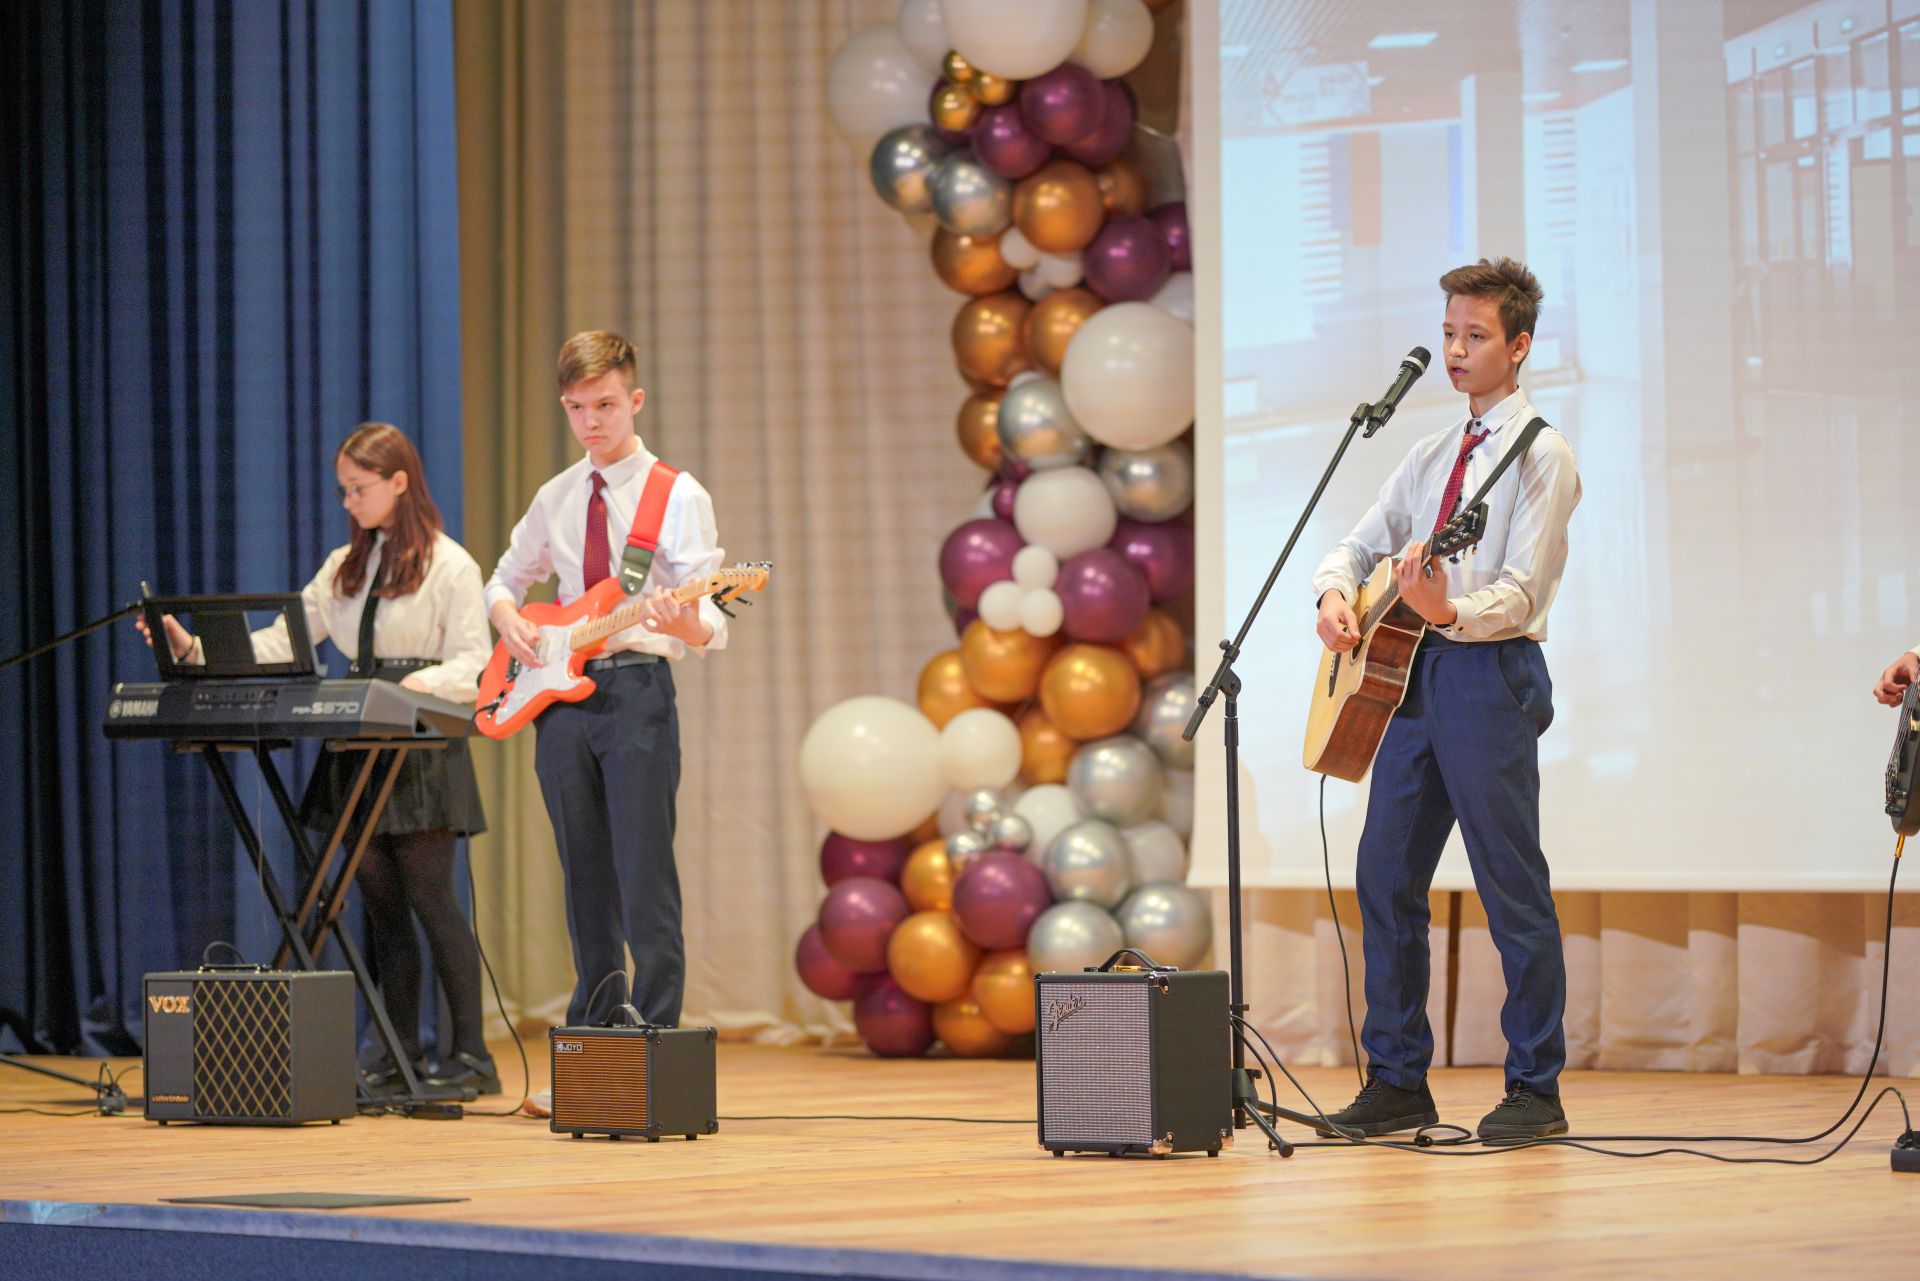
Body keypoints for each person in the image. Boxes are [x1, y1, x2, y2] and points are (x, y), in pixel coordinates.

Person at [1308, 258, 1582, 1141]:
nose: (1457, 351)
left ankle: (1535, 1088)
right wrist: (1335, 594)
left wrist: (1450, 608)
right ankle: (1397, 1079)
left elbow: (1521, 591)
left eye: (1475, 336)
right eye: (1450, 333)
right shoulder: (1430, 455)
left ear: (1520, 345)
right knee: (1384, 873)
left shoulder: (1542, 453)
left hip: (1488, 674)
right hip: (1412, 677)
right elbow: (1358, 541)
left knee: (1511, 885)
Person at [142, 423, 498, 1097]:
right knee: (379, 903)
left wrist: (416, 685)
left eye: (358, 489)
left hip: (417, 741)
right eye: (343, 490)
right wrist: (192, 649)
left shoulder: (452, 565)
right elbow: (282, 639)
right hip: (357, 737)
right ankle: (395, 1050)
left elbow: (475, 664)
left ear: (399, 482)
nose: (349, 502)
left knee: (431, 897)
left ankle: (470, 1054)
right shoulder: (344, 566)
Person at [483, 331, 728, 1061]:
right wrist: (510, 619)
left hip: (636, 695)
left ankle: (653, 1043)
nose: (592, 421)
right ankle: (594, 1046)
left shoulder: (675, 494)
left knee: (643, 874)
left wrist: (684, 617)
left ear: (636, 400)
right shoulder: (556, 495)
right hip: (559, 703)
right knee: (584, 877)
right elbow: (504, 578)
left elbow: (708, 616)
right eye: (576, 407)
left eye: (606, 405)